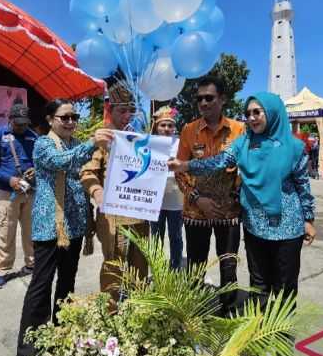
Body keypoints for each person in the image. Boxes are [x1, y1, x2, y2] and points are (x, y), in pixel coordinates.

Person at [170, 92, 316, 309]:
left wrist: (309, 219)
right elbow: (218, 161)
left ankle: (281, 333)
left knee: (285, 285)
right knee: (258, 284)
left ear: (272, 112)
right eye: (248, 113)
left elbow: (303, 185)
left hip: (288, 227)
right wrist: (186, 166)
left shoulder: (295, 148)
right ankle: (257, 332)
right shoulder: (244, 144)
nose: (252, 118)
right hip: (254, 226)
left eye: (257, 112)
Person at [16, 100, 112, 356]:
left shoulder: (75, 144)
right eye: (64, 117)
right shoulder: (44, 145)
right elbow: (61, 163)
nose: (70, 122)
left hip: (75, 227)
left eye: (74, 117)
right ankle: (28, 348)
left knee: (67, 283)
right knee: (41, 286)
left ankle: (60, 332)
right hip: (50, 228)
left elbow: (84, 173)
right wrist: (92, 143)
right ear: (50, 119)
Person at [175, 76, 246, 315]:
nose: (203, 103)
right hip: (196, 211)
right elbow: (180, 172)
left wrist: (233, 196)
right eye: (199, 99)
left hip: (229, 212)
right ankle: (195, 313)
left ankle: (227, 312)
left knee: (228, 265)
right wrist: (198, 199)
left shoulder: (239, 130)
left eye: (209, 97)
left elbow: (246, 169)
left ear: (222, 99)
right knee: (196, 266)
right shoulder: (188, 130)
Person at [80, 82, 150, 306]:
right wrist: (98, 194)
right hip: (112, 218)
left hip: (139, 215)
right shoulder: (102, 138)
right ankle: (111, 312)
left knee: (140, 263)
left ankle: (138, 312)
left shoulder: (141, 140)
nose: (127, 116)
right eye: (122, 110)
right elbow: (87, 172)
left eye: (130, 110)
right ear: (111, 111)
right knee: (114, 265)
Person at [0, 104, 37, 289]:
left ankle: (32, 264)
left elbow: (40, 159)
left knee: (32, 232)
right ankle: (2, 270)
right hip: (8, 193)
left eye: (24, 124)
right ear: (9, 119)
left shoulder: (33, 136)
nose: (21, 127)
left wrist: (36, 171)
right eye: (18, 123)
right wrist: (9, 179)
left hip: (30, 191)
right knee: (5, 232)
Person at [150, 106, 184, 270]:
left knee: (176, 236)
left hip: (176, 198)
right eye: (163, 125)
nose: (167, 129)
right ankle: (157, 270)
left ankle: (176, 268)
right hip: (154, 199)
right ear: (156, 126)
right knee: (156, 236)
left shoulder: (181, 144)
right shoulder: (148, 143)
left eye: (170, 125)